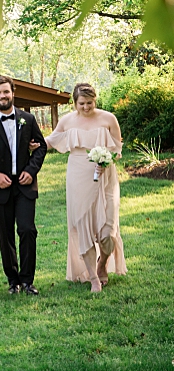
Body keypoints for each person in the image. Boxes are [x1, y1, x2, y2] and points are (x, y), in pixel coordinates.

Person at [47, 82, 126, 292]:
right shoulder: (67, 121)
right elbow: (50, 141)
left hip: (105, 176)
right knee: (82, 226)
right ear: (75, 103)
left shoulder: (108, 118)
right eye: (81, 103)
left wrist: (107, 160)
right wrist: (29, 143)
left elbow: (117, 148)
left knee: (108, 230)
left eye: (89, 103)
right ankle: (93, 278)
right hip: (78, 175)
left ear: (95, 101)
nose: (86, 107)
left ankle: (102, 264)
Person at [0, 74, 48, 295]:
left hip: (25, 185)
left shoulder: (28, 119)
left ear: (13, 93)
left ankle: (27, 280)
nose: (2, 96)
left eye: (6, 92)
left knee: (27, 230)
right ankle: (12, 281)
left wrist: (31, 170)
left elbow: (41, 146)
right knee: (4, 235)